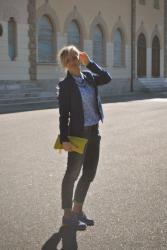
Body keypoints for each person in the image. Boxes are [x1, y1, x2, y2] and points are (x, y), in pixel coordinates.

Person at [58, 45, 112, 230]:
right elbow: (64, 115)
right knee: (72, 174)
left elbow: (107, 78)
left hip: (94, 131)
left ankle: (78, 210)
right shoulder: (65, 86)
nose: (73, 62)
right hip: (77, 135)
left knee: (89, 173)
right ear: (65, 65)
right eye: (69, 60)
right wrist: (64, 139)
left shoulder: (89, 77)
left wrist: (90, 63)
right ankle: (67, 216)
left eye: (75, 57)